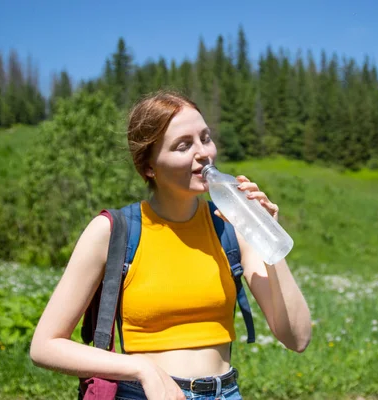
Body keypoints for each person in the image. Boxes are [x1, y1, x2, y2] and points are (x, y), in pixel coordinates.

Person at [30, 90, 312, 400]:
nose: (203, 153)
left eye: (205, 138)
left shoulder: (231, 228)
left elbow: (297, 338)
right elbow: (45, 345)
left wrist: (265, 231)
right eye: (184, 145)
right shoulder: (113, 232)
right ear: (149, 166)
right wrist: (141, 369)